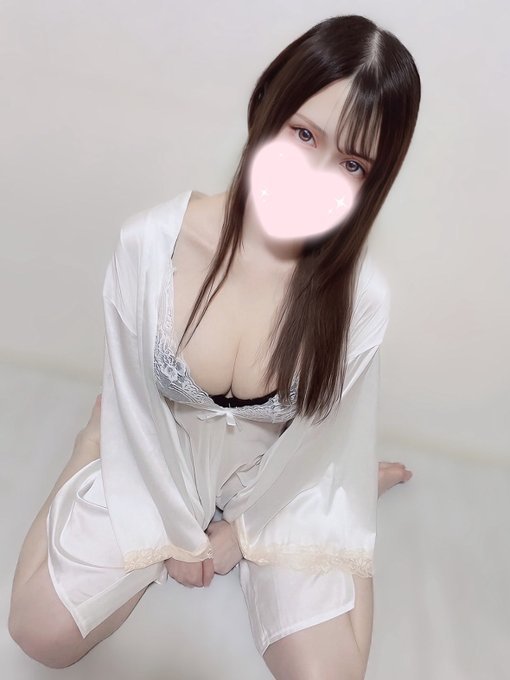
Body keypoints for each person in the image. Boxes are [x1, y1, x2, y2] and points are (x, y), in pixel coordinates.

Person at [8, 14, 419, 679]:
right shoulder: (150, 246)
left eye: (352, 163)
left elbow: (319, 444)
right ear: (266, 106)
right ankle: (86, 444)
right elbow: (138, 409)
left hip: (278, 468)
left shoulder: (360, 296)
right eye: (304, 134)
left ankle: (358, 489)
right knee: (39, 632)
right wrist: (170, 532)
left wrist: (241, 537)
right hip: (158, 444)